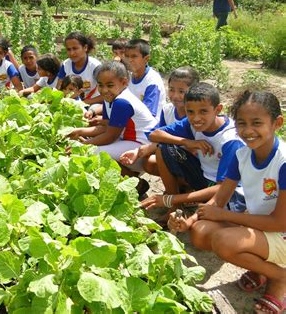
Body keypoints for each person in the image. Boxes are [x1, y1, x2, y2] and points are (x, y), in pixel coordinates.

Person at [168, 91, 285, 314]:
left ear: (277, 123)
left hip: (281, 232)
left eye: (257, 123)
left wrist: (225, 216)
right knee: (200, 232)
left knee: (224, 240)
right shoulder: (242, 155)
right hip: (262, 228)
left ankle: (279, 277)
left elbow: (280, 223)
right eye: (242, 123)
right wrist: (189, 220)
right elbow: (219, 200)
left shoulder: (283, 161)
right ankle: (261, 268)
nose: (248, 131)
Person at [144, 82, 246, 214]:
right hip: (203, 176)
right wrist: (187, 142)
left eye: (203, 111)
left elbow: (222, 188)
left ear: (218, 109)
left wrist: (172, 199)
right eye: (190, 112)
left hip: (226, 191)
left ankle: (176, 200)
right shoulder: (191, 124)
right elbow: (154, 135)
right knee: (163, 148)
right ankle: (175, 208)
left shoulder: (230, 140)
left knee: (203, 226)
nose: (196, 118)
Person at [67, 61, 157, 173]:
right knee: (91, 146)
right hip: (129, 140)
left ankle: (134, 180)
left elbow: (110, 136)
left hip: (143, 146)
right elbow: (105, 127)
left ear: (124, 82)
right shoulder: (109, 98)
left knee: (92, 152)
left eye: (110, 85)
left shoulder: (122, 102)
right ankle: (131, 177)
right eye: (100, 85)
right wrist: (80, 131)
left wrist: (83, 145)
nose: (104, 90)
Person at [120, 66, 200, 175]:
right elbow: (157, 138)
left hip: (196, 160)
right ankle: (176, 187)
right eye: (171, 89)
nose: (175, 96)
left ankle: (181, 188)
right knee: (151, 160)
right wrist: (138, 151)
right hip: (174, 154)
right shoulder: (167, 110)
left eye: (182, 91)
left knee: (162, 151)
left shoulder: (197, 116)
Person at [124, 39, 166, 120]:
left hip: (148, 127)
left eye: (134, 56)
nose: (129, 60)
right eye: (127, 56)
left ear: (146, 59)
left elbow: (148, 114)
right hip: (131, 121)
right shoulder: (127, 77)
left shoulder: (152, 81)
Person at [57, 32, 102, 105]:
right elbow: (59, 90)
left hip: (92, 104)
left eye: (75, 48)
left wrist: (82, 103)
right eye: (68, 49)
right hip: (70, 103)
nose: (72, 53)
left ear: (85, 48)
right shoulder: (65, 65)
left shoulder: (96, 67)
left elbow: (106, 94)